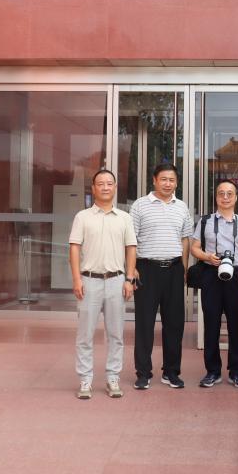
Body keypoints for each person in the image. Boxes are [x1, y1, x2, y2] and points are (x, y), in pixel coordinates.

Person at [68, 169, 137, 400]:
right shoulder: (82, 217)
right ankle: (85, 379)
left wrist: (129, 279)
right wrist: (76, 279)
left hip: (117, 281)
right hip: (89, 281)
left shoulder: (125, 218)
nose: (105, 187)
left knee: (116, 334)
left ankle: (112, 377)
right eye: (101, 183)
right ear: (93, 188)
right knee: (85, 335)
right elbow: (74, 248)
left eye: (109, 183)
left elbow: (131, 249)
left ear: (115, 187)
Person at [129, 162, 194, 389]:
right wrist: (132, 267)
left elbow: (185, 239)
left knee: (174, 324)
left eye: (172, 180)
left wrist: (183, 268)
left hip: (174, 270)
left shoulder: (182, 207)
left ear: (177, 183)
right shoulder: (140, 205)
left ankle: (171, 372)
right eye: (164, 179)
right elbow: (130, 239)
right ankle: (143, 373)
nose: (168, 184)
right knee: (144, 323)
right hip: (146, 269)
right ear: (154, 180)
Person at [190, 181, 238, 389]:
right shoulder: (206, 221)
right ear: (216, 197)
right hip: (211, 273)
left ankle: (236, 371)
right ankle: (213, 371)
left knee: (236, 324)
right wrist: (207, 257)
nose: (225, 197)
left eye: (229, 193)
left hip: (236, 275)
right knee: (211, 324)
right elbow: (194, 248)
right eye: (221, 193)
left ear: (236, 197)